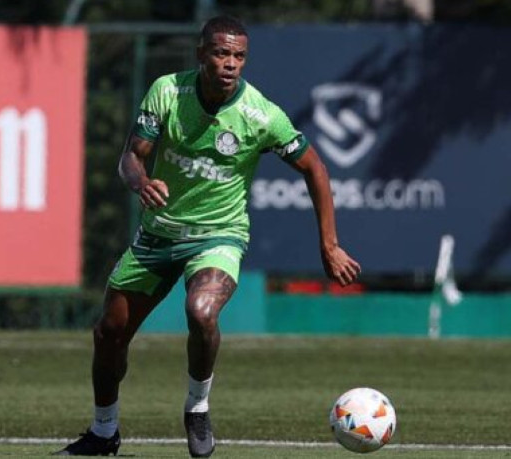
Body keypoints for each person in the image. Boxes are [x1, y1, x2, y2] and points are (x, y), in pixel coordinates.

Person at [57, 14, 361, 457]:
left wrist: (329, 245)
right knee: (109, 333)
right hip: (158, 236)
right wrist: (141, 182)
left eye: (239, 56)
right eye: (221, 53)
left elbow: (314, 167)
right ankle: (104, 433)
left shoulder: (261, 115)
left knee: (201, 312)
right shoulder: (167, 92)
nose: (230, 63)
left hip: (218, 236)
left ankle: (197, 407)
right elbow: (131, 157)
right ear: (201, 54)